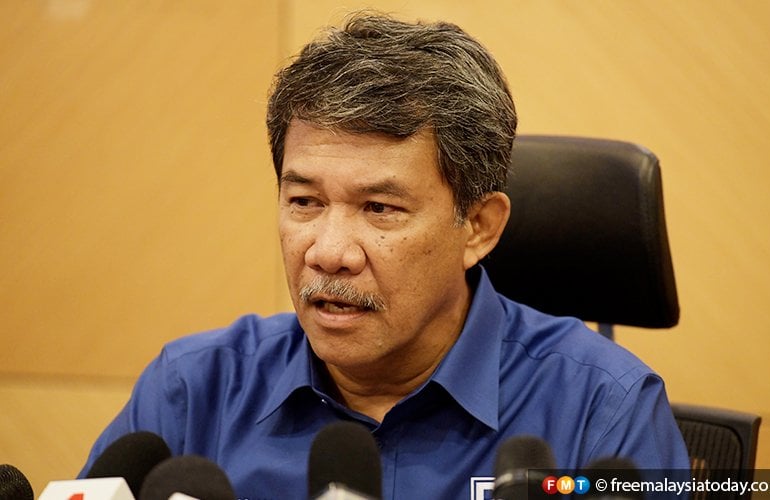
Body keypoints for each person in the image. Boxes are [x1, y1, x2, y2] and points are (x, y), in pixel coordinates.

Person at [80, 12, 689, 499]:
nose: (328, 253)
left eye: (380, 208)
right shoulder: (193, 391)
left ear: (478, 227)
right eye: (304, 201)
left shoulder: (601, 410)